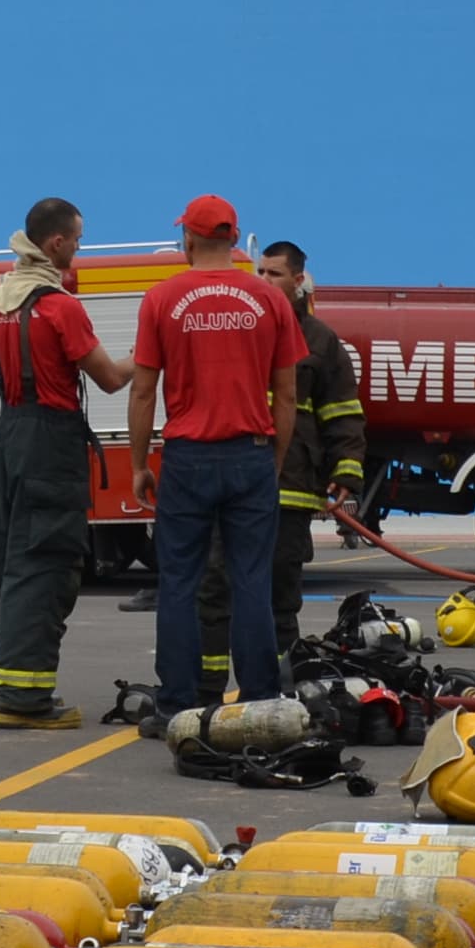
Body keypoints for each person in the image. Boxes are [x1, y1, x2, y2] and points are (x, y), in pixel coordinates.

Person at [124, 198, 303, 712]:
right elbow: (286, 395)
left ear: (189, 240)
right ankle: (260, 699)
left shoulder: (161, 299)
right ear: (233, 237)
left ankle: (175, 704)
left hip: (187, 457)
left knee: (179, 582)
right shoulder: (269, 301)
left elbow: (142, 391)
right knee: (252, 580)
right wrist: (273, 457)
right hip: (250, 455)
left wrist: (139, 465)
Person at [0, 198, 130, 728]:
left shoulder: (0, 301)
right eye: (78, 241)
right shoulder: (61, 305)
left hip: (11, 436)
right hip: (50, 442)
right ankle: (24, 700)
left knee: (15, 561)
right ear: (56, 244)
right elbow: (110, 378)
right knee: (47, 563)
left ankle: (12, 682)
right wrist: (152, 353)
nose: (80, 251)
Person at [197, 238, 365, 672]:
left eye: (275, 274)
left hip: (290, 483)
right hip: (231, 477)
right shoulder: (236, 325)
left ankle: (278, 685)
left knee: (280, 591)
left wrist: (346, 471)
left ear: (298, 280)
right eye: (261, 273)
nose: (266, 282)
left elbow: (343, 411)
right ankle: (208, 687)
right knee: (216, 583)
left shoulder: (320, 340)